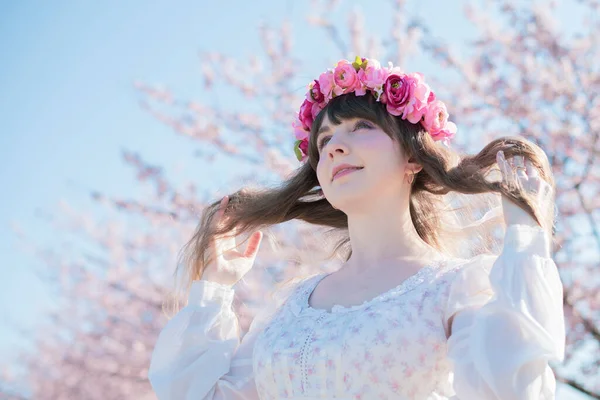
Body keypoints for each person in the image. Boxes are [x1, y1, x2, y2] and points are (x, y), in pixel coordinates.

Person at [147, 57, 565, 399]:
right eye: (324, 140)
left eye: (362, 127)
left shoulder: (456, 286)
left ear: (414, 157)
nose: (335, 147)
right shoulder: (288, 305)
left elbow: (512, 389)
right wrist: (215, 290)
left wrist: (526, 241)